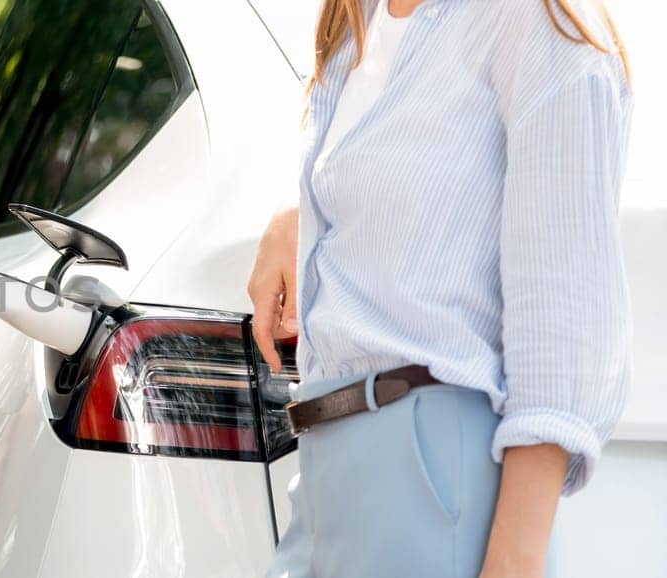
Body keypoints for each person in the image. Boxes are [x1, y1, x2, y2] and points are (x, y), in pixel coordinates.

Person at [249, 0, 632, 576]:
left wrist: (513, 564)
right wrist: (296, 220)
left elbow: (565, 327)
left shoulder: (535, 22)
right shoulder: (357, 26)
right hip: (328, 476)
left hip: (431, 475)